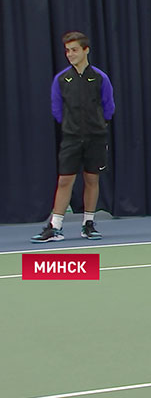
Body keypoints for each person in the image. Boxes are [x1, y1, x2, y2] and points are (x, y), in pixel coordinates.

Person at [31, 31, 116, 243]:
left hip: (95, 137)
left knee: (91, 179)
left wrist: (96, 126)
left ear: (86, 50)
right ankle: (55, 227)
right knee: (65, 181)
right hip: (71, 138)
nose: (70, 54)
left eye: (74, 50)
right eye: (67, 51)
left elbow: (109, 107)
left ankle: (88, 224)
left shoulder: (100, 78)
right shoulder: (61, 79)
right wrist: (72, 127)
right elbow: (57, 109)